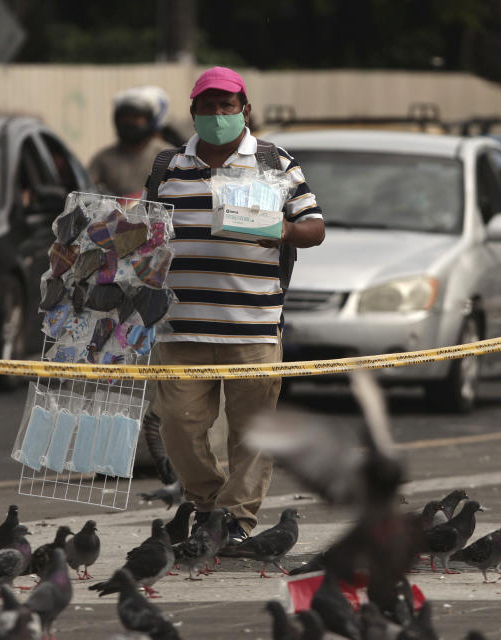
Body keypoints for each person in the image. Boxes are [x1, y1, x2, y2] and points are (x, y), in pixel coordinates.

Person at [152, 67, 325, 543]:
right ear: (193, 113)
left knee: (252, 434)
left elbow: (315, 228)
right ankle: (206, 505)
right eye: (207, 107)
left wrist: (280, 229)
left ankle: (237, 520)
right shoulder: (167, 167)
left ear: (244, 110)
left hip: (253, 326)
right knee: (179, 428)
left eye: (226, 106)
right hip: (180, 329)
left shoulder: (276, 163)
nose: (217, 115)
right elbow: (149, 234)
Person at [89, 86, 174, 199]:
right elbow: (88, 191)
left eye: (136, 116)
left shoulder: (168, 156)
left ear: (149, 120)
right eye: (124, 117)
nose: (130, 121)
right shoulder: (103, 159)